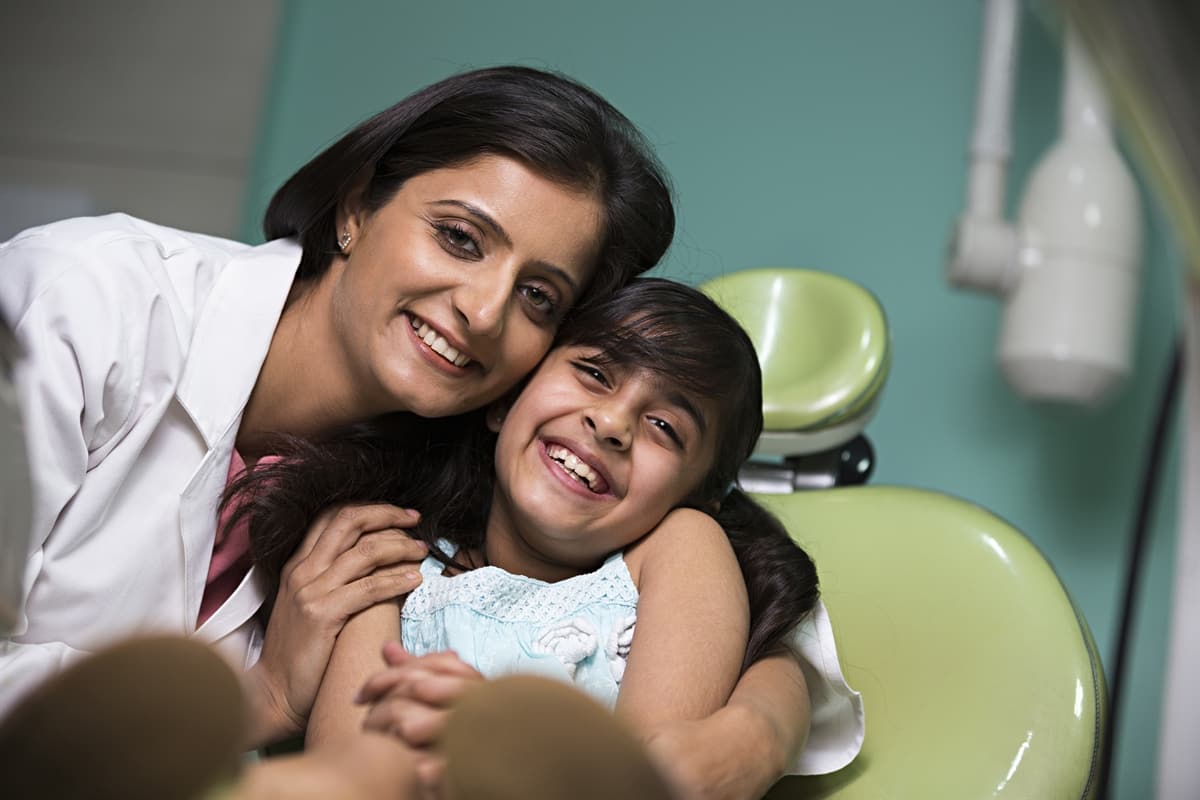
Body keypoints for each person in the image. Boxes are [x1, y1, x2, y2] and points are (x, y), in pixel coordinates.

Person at [0, 64, 858, 797]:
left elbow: (741, 567)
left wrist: (760, 725)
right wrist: (259, 696)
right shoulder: (86, 303)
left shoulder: (461, 468)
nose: (484, 313)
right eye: (459, 237)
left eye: (538, 298)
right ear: (354, 206)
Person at [229, 279, 825, 795]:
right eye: (594, 374)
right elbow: (347, 781)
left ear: (695, 495)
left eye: (665, 427)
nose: (612, 424)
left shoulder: (679, 548)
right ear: (504, 401)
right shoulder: (388, 559)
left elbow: (656, 776)